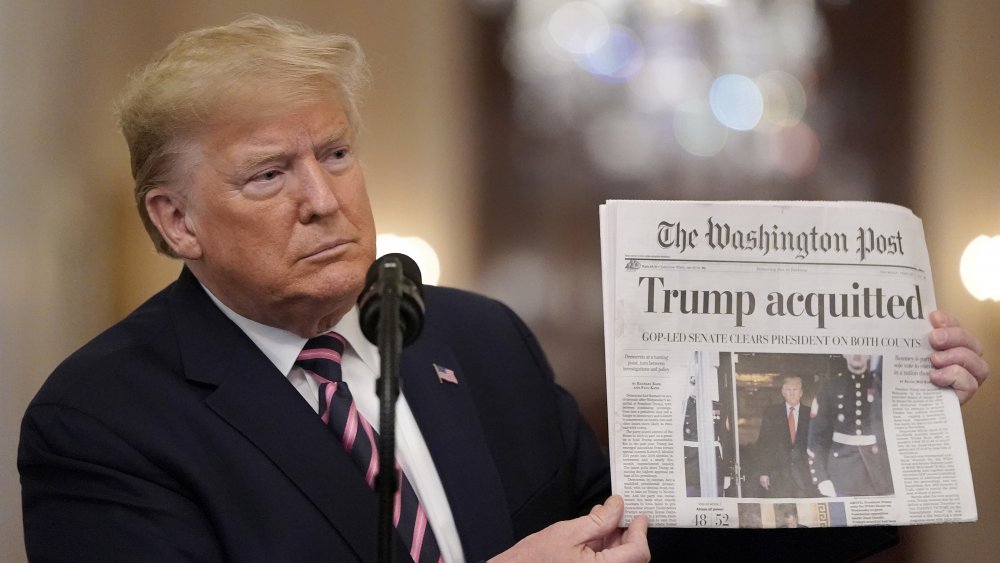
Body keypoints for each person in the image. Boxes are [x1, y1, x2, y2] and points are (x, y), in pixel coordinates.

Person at [16, 14, 988, 563]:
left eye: (338, 152)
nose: (322, 199)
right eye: (269, 174)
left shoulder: (475, 340)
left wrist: (882, 428)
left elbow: (652, 539)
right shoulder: (101, 420)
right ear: (176, 220)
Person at [808, 355, 892, 497]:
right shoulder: (830, 387)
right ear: (844, 354)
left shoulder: (882, 385)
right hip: (841, 468)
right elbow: (817, 437)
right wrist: (821, 477)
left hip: (876, 467)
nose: (857, 354)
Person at [756, 376, 817, 498]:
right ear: (783, 392)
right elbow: (763, 443)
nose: (792, 392)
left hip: (804, 475)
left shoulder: (811, 414)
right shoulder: (771, 413)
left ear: (801, 393)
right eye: (788, 389)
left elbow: (818, 445)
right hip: (778, 475)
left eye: (795, 389)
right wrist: (764, 472)